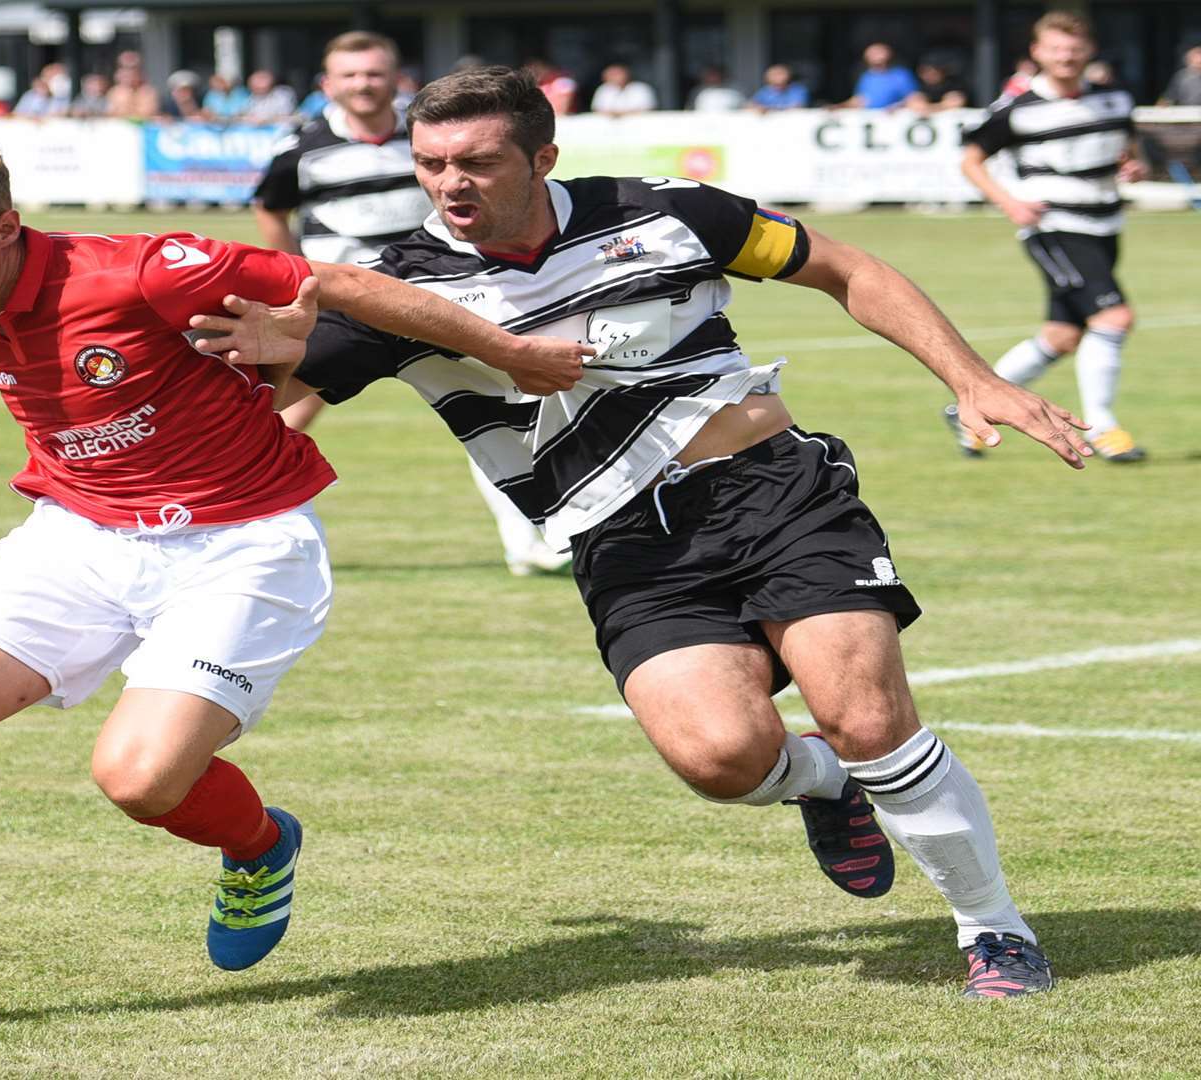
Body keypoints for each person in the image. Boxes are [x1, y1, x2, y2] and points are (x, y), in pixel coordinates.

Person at [0, 130, 586, 1025]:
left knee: (138, 779)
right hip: (78, 536)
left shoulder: (142, 269)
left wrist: (506, 352)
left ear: (6, 228)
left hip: (239, 545)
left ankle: (260, 847)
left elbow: (338, 279)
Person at [193, 65, 1092, 1000]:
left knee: (865, 714)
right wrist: (245, 364)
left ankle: (994, 931)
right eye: (430, 164)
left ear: (543, 155)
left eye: (478, 161)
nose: (451, 183)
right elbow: (270, 397)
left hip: (772, 491)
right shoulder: (398, 291)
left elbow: (846, 268)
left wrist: (972, 377)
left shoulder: (668, 212)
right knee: (722, 760)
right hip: (626, 545)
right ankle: (828, 784)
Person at [253, 32, 567, 577]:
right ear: (328, 84)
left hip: (442, 297)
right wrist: (291, 281)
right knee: (278, 410)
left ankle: (532, 542)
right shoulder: (299, 149)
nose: (362, 85)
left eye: (373, 73)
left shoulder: (431, 135)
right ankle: (232, 519)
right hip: (347, 309)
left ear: (394, 78)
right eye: (350, 75)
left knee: (499, 411)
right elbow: (270, 209)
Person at [959, 11, 1148, 463]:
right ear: (1038, 52)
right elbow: (970, 160)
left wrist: (1132, 165)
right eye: (1057, 48)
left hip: (1105, 225)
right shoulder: (1020, 109)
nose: (1067, 56)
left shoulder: (1115, 98)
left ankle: (965, 410)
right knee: (1113, 318)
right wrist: (1009, 202)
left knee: (1063, 336)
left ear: (1089, 52)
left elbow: (1128, 145)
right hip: (1055, 227)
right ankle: (1102, 428)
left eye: (1075, 48)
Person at [842, 43, 918, 110]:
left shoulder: (900, 75)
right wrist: (839, 107)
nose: (876, 57)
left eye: (878, 53)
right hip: (870, 118)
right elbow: (860, 99)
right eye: (872, 54)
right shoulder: (866, 77)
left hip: (894, 118)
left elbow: (914, 98)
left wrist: (898, 106)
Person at [590, 63, 656, 116]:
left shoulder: (640, 88)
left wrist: (621, 114)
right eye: (611, 75)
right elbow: (597, 109)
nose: (615, 78)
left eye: (617, 74)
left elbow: (648, 108)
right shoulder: (603, 89)